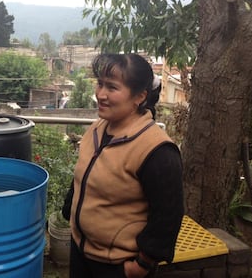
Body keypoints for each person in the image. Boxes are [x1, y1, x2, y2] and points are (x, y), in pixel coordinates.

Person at [62, 53, 184, 278]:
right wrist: (70, 212)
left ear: (139, 96)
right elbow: (84, 176)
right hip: (81, 252)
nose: (101, 94)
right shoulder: (97, 129)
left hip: (117, 266)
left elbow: (168, 216)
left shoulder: (157, 150)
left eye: (112, 87)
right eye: (100, 84)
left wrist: (142, 265)